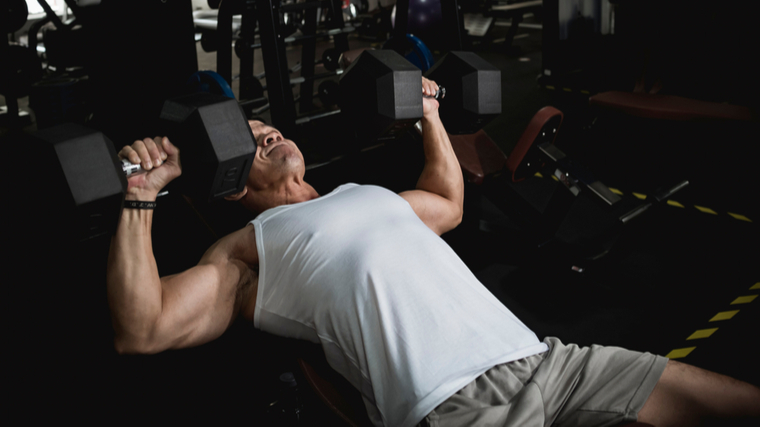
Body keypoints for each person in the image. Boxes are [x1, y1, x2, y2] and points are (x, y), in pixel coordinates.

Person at [107, 77, 760, 427]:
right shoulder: (245, 251)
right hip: (458, 409)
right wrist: (141, 194)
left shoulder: (363, 193)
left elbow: (444, 201)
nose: (266, 131)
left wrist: (430, 118)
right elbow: (144, 328)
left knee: (730, 400)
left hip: (548, 358)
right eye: (246, 140)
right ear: (225, 185)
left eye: (265, 124)